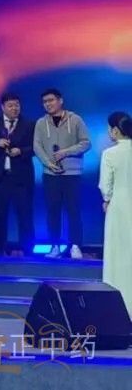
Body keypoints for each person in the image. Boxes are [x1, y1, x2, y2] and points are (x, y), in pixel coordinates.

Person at [33, 88, 91, 259]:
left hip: (72, 174)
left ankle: (75, 246)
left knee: (73, 211)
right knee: (53, 211)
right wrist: (48, 163)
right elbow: (37, 146)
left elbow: (86, 143)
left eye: (51, 100)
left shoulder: (75, 120)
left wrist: (66, 152)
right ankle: (55, 246)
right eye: (45, 102)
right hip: (50, 174)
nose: (48, 104)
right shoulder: (41, 123)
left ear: (60, 101)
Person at [0, 93, 35, 256]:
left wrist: (21, 151)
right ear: (3, 107)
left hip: (21, 178)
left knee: (25, 215)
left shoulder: (29, 124)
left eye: (17, 105)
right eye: (10, 105)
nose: (14, 108)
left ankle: (28, 250)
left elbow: (36, 147)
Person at [99, 111, 132, 315]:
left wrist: (107, 200)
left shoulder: (110, 153)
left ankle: (119, 307)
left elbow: (106, 185)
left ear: (116, 131)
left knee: (117, 254)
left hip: (119, 206)